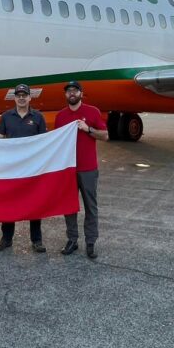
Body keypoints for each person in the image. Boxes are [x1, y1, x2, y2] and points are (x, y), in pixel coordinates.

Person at [54, 80, 108, 259]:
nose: (71, 93)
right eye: (68, 91)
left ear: (81, 93)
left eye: (75, 91)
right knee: (69, 206)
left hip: (88, 169)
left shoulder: (92, 112)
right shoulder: (61, 116)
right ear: (65, 95)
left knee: (90, 207)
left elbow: (105, 135)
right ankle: (72, 240)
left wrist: (87, 128)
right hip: (68, 169)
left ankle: (91, 242)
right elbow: (56, 142)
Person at [0, 84, 48, 253]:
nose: (22, 98)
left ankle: (37, 240)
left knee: (34, 203)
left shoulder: (38, 117)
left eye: (25, 95)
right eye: (19, 95)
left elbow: (44, 141)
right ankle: (6, 238)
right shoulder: (6, 117)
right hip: (12, 168)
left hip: (32, 168)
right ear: (14, 98)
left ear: (30, 97)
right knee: (9, 203)